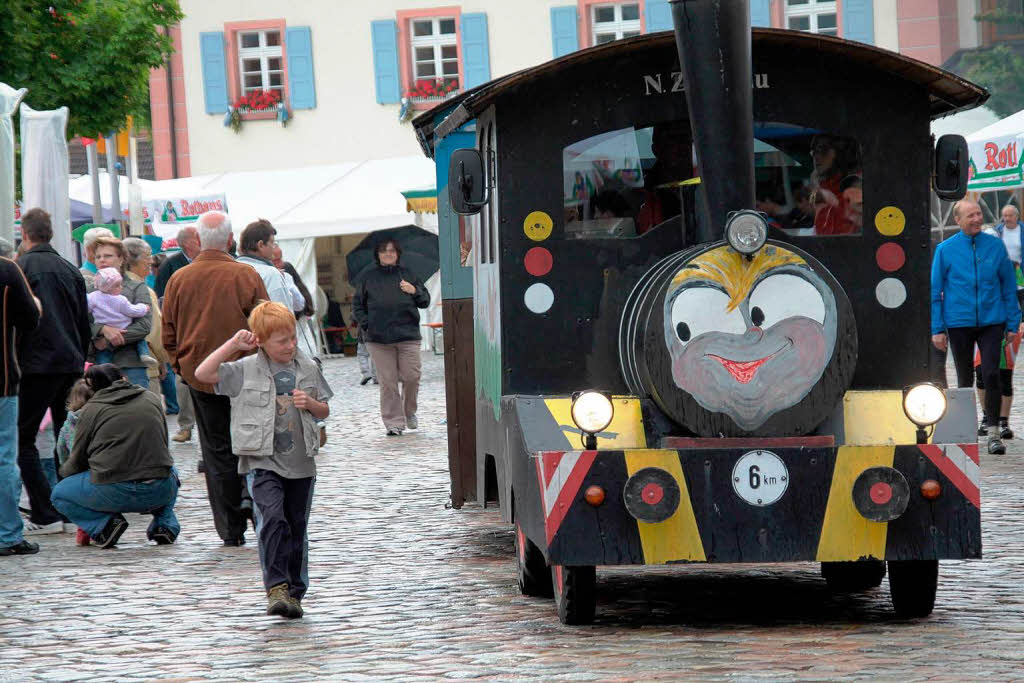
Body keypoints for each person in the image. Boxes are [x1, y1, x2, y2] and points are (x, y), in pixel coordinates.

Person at [195, 302, 333, 618]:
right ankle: (277, 587)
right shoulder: (244, 369)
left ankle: (295, 593)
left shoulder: (308, 367)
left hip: (301, 463)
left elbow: (324, 409)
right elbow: (204, 373)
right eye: (281, 341)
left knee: (296, 526)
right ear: (261, 341)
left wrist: (310, 403)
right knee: (271, 518)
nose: (290, 345)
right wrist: (232, 344)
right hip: (261, 461)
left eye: (292, 338)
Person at [162, 210, 269, 546]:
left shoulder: (179, 279)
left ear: (198, 242)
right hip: (244, 373)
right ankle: (251, 501)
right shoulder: (246, 274)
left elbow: (168, 333)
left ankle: (230, 528)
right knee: (251, 443)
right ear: (229, 238)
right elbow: (266, 321)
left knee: (217, 451)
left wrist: (182, 367)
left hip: (200, 375)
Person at [16, 208, 91, 536]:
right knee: (68, 437)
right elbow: (84, 322)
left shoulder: (22, 268)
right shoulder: (68, 269)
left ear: (26, 233)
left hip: (35, 365)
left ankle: (45, 513)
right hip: (69, 362)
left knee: (24, 437)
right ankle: (71, 507)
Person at [50, 364, 180, 548]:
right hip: (160, 488)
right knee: (171, 469)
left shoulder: (91, 409)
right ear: (123, 378)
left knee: (59, 494)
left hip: (114, 490)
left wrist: (67, 473)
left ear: (93, 387)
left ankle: (106, 526)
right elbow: (163, 445)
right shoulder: (151, 398)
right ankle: (165, 524)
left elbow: (77, 459)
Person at [932, 199, 1022, 454]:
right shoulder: (945, 250)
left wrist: (1013, 322)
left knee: (991, 373)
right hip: (959, 322)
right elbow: (935, 291)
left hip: (992, 321)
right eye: (970, 215)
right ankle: (964, 430)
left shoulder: (995, 246)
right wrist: (937, 328)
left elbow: (1008, 286)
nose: (977, 219)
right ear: (957, 220)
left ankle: (993, 432)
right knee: (963, 378)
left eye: (979, 213)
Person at [352, 238, 429, 436]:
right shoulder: (368, 277)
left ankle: (408, 412)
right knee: (388, 382)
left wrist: (414, 290)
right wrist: (368, 324)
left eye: (392, 250)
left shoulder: (408, 274)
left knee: (412, 377)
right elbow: (357, 306)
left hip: (408, 335)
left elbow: (425, 301)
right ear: (377, 255)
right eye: (384, 251)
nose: (388, 254)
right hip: (378, 340)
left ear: (398, 253)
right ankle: (393, 423)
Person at [0, 252, 42, 556]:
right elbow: (30, 318)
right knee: (3, 459)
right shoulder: (6, 269)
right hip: (1, 380)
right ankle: (7, 534)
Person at [87, 236, 153, 389]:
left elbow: (144, 325)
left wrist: (109, 339)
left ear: (121, 259)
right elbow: (80, 322)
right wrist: (102, 329)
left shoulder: (137, 287)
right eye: (98, 256)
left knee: (136, 409)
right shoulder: (89, 291)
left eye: (108, 256)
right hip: (98, 365)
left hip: (130, 362)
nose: (102, 260)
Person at [123, 238, 173, 398]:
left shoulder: (117, 285)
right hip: (146, 366)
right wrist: (164, 359)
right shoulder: (143, 290)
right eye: (147, 255)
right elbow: (155, 332)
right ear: (132, 259)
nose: (151, 260)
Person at [88, 267, 157, 368]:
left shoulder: (93, 296)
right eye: (117, 286)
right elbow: (132, 311)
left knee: (104, 355)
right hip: (123, 326)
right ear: (108, 288)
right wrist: (144, 308)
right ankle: (144, 354)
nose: (121, 287)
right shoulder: (120, 300)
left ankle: (105, 367)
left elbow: (85, 309)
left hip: (103, 330)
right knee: (141, 341)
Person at [54, 379, 95, 546]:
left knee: (80, 503)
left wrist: (67, 470)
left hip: (78, 473)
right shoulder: (100, 418)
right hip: (101, 469)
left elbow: (61, 451)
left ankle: (84, 533)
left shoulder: (67, 424)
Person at [237, 219, 304, 313]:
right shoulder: (271, 274)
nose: (273, 247)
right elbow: (280, 317)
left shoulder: (230, 271)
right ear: (260, 245)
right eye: (272, 242)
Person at [154, 226, 199, 299]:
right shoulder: (169, 264)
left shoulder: (206, 260)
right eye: (197, 238)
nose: (202, 241)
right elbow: (161, 295)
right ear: (186, 243)